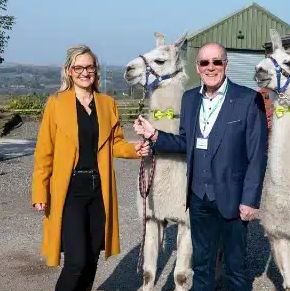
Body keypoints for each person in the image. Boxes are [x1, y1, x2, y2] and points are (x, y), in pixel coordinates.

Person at [133, 42, 268, 290]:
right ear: (197, 67)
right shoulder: (191, 99)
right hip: (198, 198)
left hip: (232, 198)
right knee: (202, 268)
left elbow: (257, 155)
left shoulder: (248, 99)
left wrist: (250, 200)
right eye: (205, 63)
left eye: (217, 62)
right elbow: (186, 142)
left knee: (235, 270)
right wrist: (154, 136)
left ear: (225, 64)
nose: (211, 67)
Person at [31, 45, 149, 291]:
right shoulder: (56, 104)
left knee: (93, 257)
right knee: (76, 261)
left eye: (90, 67)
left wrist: (134, 150)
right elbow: (44, 152)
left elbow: (115, 143)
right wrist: (40, 192)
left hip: (99, 190)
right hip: (70, 191)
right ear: (69, 71)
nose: (85, 72)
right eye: (79, 67)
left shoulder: (107, 104)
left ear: (96, 70)